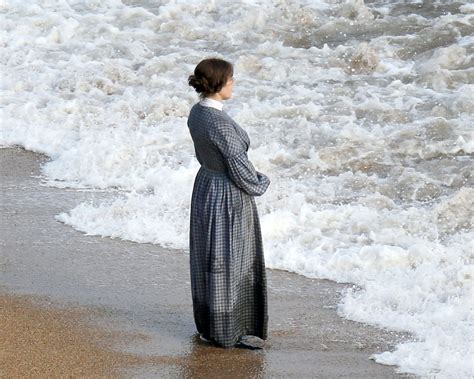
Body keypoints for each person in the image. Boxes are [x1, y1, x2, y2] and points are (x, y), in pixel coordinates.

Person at [187, 58, 270, 349]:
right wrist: (261, 182)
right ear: (219, 84)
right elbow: (239, 167)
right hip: (226, 194)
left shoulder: (197, 113)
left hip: (206, 185)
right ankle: (229, 331)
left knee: (211, 257)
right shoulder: (219, 123)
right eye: (231, 79)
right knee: (231, 259)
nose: (234, 83)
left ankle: (211, 326)